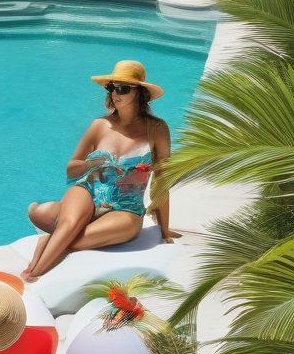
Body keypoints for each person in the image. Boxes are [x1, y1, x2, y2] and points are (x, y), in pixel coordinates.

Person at [21, 60, 179, 282]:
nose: (115, 93)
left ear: (139, 93)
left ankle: (46, 239)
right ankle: (33, 273)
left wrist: (164, 229)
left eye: (122, 88)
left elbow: (162, 179)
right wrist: (94, 164)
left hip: (126, 209)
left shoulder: (157, 129)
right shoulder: (100, 125)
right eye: (111, 87)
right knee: (68, 225)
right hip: (89, 190)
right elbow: (71, 169)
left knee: (75, 238)